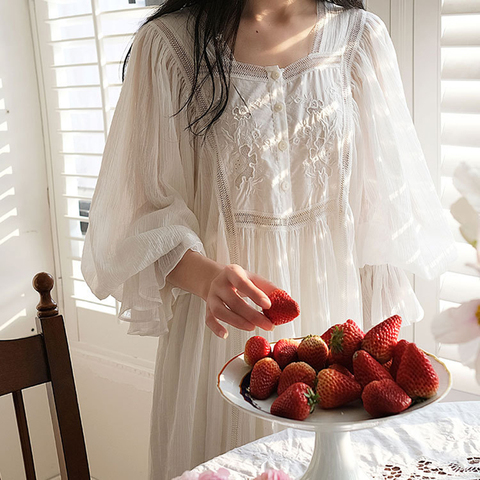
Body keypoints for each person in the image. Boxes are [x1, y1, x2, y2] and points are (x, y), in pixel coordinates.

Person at [80, 0, 457, 478]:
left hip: (336, 334)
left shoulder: (359, 39)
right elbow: (133, 218)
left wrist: (377, 357)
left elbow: (384, 215)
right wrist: (206, 277)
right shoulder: (170, 46)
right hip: (222, 339)